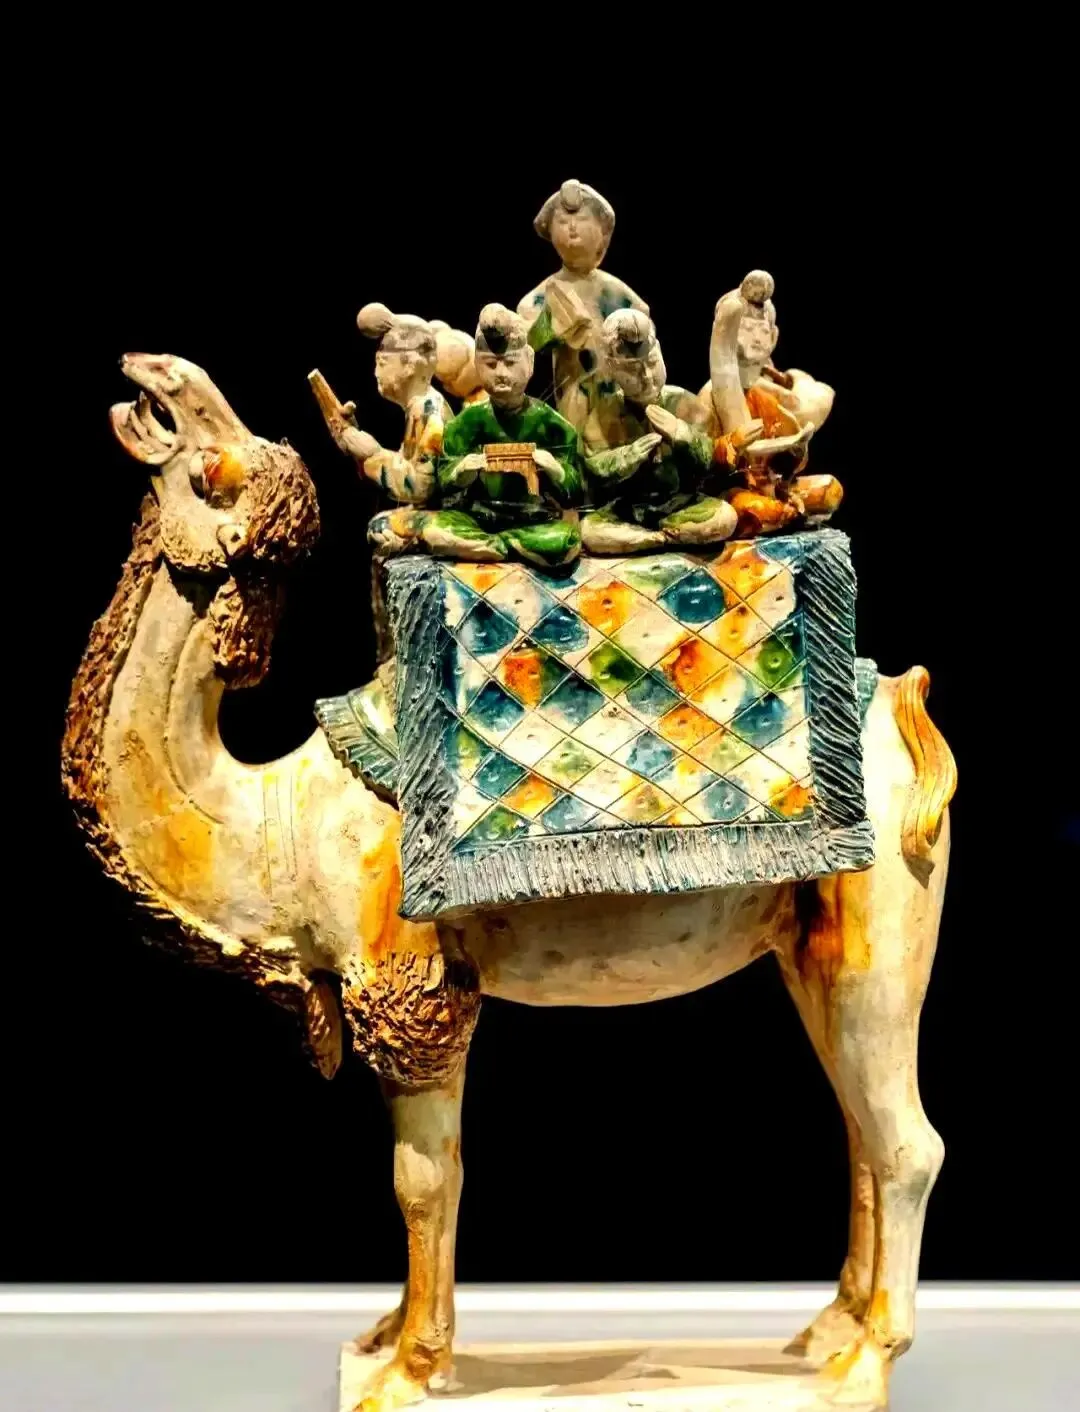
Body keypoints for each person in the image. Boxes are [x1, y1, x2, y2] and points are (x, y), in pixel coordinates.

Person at [582, 312, 737, 552]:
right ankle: (656, 539)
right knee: (589, 531)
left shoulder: (687, 404)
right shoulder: (603, 415)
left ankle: (655, 538)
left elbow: (710, 463)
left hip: (681, 504)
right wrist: (628, 456)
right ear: (611, 368)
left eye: (652, 363)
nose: (646, 376)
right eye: (632, 370)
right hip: (628, 510)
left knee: (725, 517)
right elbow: (593, 467)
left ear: (661, 353)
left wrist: (682, 435)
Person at [517, 180, 648, 440]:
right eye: (563, 221)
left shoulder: (611, 290)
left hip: (617, 391)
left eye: (582, 219)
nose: (572, 227)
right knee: (576, 439)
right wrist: (551, 326)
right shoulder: (547, 292)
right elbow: (526, 336)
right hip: (572, 390)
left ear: (602, 232)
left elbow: (642, 319)